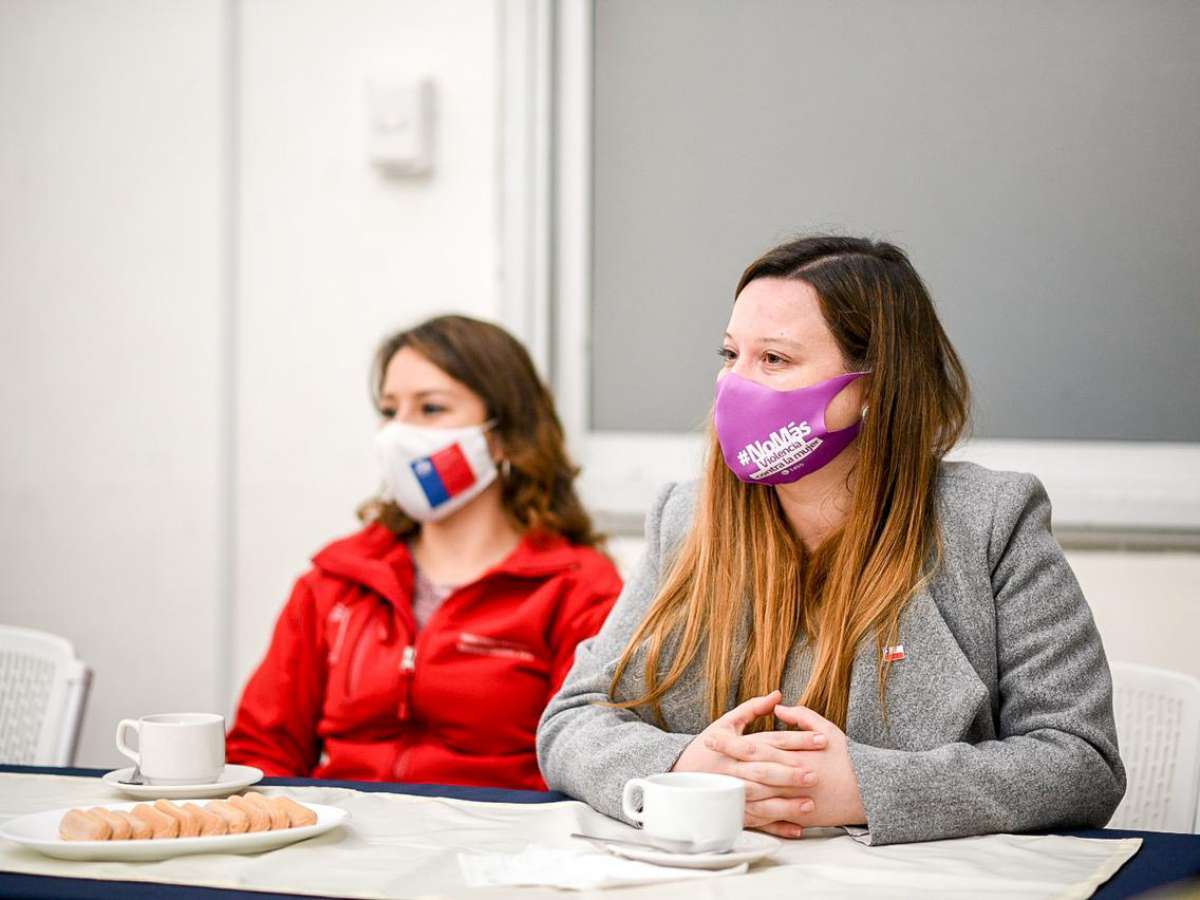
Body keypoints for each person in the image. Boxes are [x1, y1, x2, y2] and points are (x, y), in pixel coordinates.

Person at [537, 236, 1125, 845]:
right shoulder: (686, 517)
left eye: (775, 360)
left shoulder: (991, 521)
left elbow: (1081, 762)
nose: (735, 387)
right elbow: (572, 721)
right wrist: (684, 769)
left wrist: (866, 788)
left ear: (873, 385)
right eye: (731, 354)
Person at [228, 315, 621, 790]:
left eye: (431, 409)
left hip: (499, 850)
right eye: (391, 410)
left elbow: (587, 755)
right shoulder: (337, 580)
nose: (399, 435)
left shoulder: (580, 589)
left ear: (502, 438)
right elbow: (261, 748)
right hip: (339, 844)